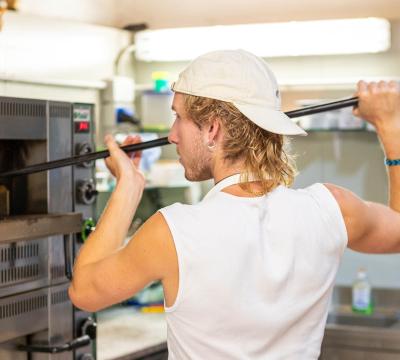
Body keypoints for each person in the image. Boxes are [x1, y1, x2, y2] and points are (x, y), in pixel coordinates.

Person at [68, 50, 400, 359]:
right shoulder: (333, 208)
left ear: (212, 128)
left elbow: (84, 291)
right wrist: (390, 127)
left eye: (178, 118)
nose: (171, 135)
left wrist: (128, 187)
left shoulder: (174, 231)